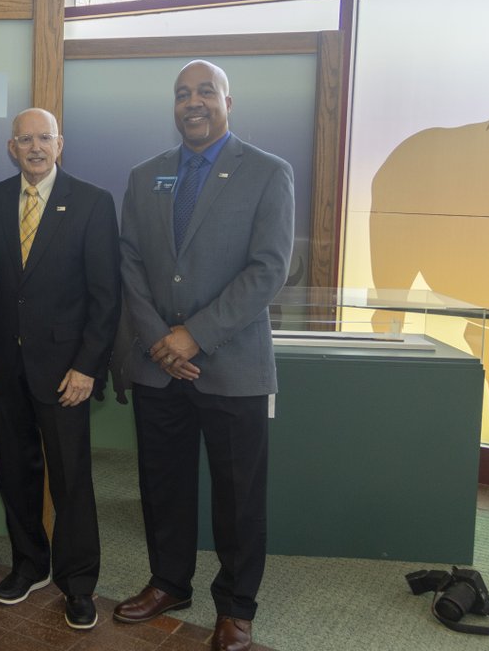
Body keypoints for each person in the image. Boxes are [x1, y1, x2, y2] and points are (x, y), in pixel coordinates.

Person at [115, 60, 294, 651]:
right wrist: (159, 340)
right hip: (156, 365)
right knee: (162, 485)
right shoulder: (146, 175)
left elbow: (269, 269)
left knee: (239, 496)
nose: (193, 102)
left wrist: (193, 335)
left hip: (232, 364)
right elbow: (131, 263)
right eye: (182, 94)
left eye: (205, 92)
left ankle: (237, 607)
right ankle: (169, 582)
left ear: (227, 102)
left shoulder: (268, 173)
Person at [0, 107, 120, 630]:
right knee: (16, 475)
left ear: (61, 144)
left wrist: (87, 367)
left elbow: (106, 297)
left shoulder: (93, 202)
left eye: (45, 138)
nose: (35, 147)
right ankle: (29, 565)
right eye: (25, 139)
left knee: (72, 480)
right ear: (11, 147)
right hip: (4, 367)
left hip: (65, 375)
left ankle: (79, 585)